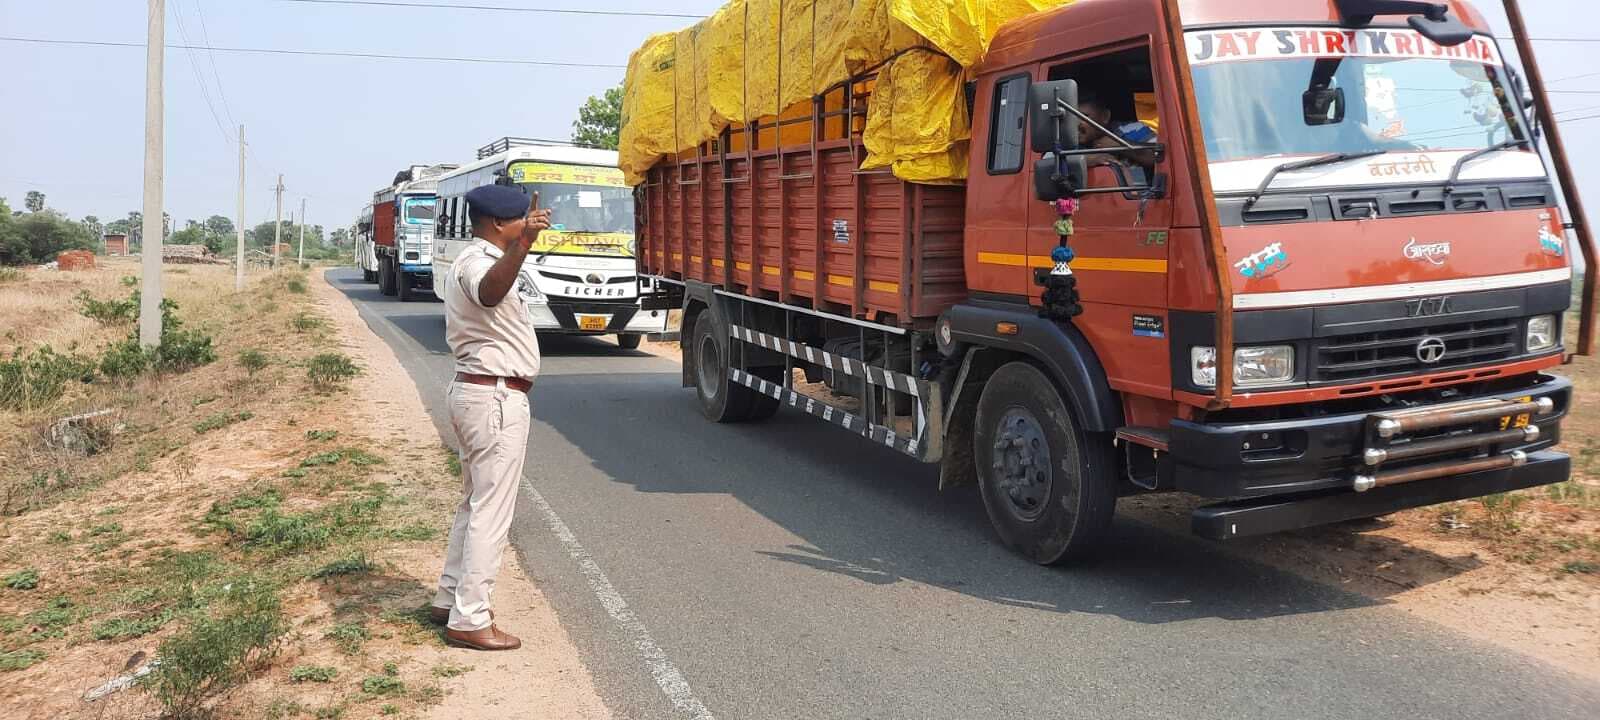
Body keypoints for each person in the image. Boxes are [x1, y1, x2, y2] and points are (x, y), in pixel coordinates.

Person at [430, 184, 551, 651]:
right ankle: (471, 617)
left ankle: (449, 597)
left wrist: (520, 248)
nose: (530, 223)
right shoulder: (480, 264)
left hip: (481, 393)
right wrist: (523, 247)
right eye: (523, 218)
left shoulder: (475, 257)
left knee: (474, 503)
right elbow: (488, 293)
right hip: (494, 397)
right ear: (501, 224)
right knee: (491, 512)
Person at [1077, 91, 1160, 171]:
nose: (1077, 123)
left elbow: (1160, 155)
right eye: (1074, 116)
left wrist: (1120, 145)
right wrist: (1083, 160)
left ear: (1105, 116)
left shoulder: (1133, 129)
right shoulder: (1066, 140)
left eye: (1084, 116)